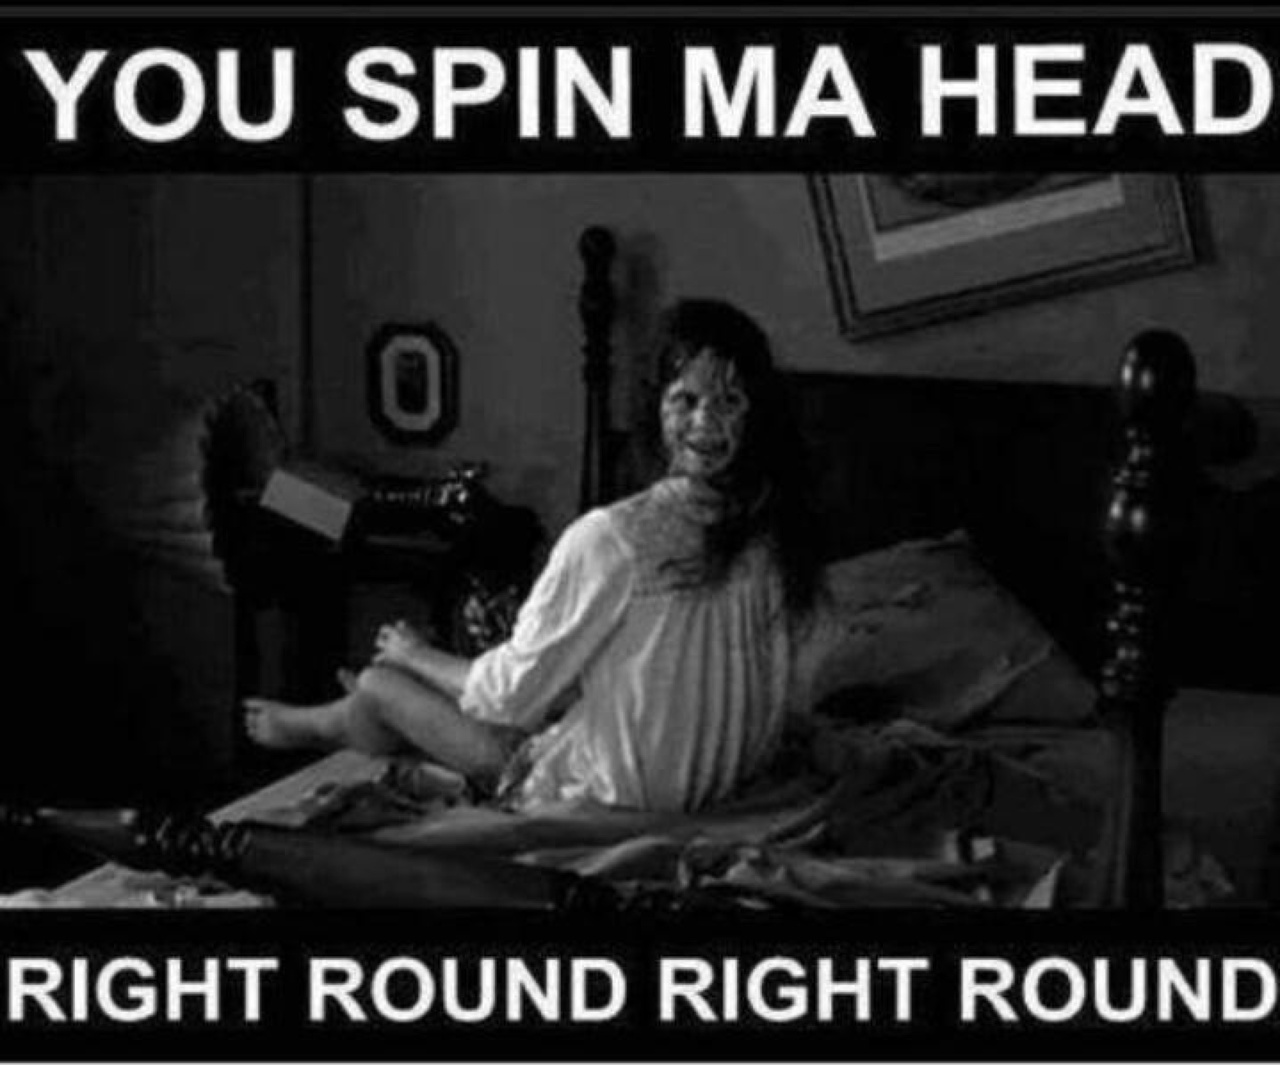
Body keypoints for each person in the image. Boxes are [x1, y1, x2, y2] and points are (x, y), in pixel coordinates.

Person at [244, 299, 822, 813]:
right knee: (504, 683)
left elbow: (507, 698)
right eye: (687, 400)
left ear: (755, 415)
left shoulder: (613, 538)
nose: (706, 422)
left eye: (728, 402)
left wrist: (417, 654)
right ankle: (350, 716)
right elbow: (664, 672)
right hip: (720, 777)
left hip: (605, 793)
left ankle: (326, 722)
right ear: (658, 407)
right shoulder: (779, 530)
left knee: (383, 680)